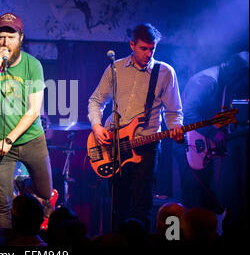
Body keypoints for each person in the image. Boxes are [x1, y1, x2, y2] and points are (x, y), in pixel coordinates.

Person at [87, 23, 184, 231]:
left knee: (142, 206)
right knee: (117, 206)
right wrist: (97, 127)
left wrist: (176, 128)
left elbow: (174, 112)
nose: (149, 53)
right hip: (114, 144)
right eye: (143, 48)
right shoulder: (115, 68)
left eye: (152, 49)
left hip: (147, 145)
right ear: (132, 45)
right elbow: (96, 100)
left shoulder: (165, 72)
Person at [0, 12, 54, 230]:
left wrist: (9, 140)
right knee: (4, 205)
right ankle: (8, 246)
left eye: (11, 37)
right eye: (1, 37)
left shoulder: (33, 65)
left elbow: (33, 111)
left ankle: (22, 184)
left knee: (45, 192)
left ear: (21, 38)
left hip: (30, 139)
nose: (5, 42)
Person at [177, 51, 249, 221]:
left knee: (206, 195)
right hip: (190, 143)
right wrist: (213, 133)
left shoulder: (223, 82)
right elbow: (188, 114)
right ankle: (187, 236)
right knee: (194, 195)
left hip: (203, 143)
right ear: (236, 73)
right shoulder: (207, 81)